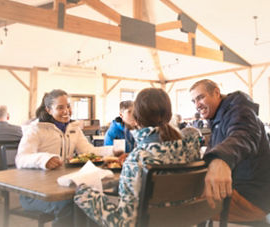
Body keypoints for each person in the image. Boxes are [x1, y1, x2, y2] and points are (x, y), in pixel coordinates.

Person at [74, 88, 201, 226]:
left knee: (85, 199)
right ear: (169, 114)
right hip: (184, 222)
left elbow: (124, 223)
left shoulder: (138, 159)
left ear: (136, 119)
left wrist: (84, 193)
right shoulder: (191, 150)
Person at [15, 89, 114, 227]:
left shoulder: (73, 128)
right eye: (60, 107)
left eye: (68, 106)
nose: (66, 111)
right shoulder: (35, 129)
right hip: (35, 192)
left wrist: (113, 151)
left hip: (63, 185)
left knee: (91, 201)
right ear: (49, 110)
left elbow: (88, 151)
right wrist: (45, 160)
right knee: (71, 205)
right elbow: (21, 158)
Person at [189, 79, 270, 223]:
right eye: (193, 101)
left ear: (216, 93)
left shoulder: (240, 111)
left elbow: (243, 135)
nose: (197, 105)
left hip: (252, 198)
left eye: (200, 97)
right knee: (186, 194)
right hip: (241, 188)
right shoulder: (219, 118)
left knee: (181, 207)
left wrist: (221, 159)